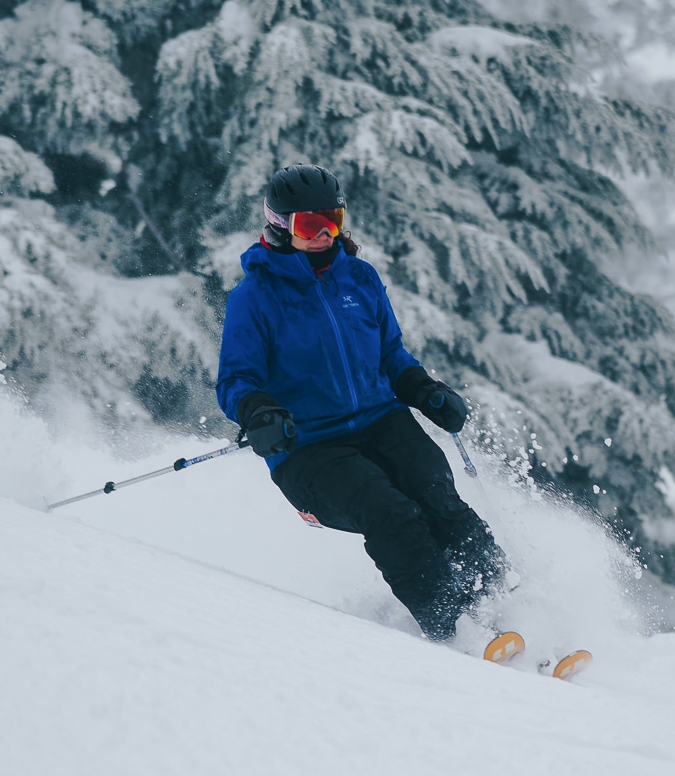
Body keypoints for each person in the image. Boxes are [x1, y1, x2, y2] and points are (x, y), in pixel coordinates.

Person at [216, 164, 509, 642]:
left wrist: (422, 388)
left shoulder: (360, 278)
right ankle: (458, 631)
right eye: (310, 225)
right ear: (279, 225)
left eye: (333, 219)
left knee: (439, 498)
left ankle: (510, 605)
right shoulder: (255, 297)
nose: (325, 234)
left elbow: (390, 354)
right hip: (308, 446)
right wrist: (259, 412)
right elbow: (235, 379)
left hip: (380, 422)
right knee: (392, 514)